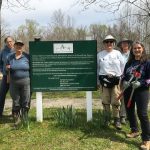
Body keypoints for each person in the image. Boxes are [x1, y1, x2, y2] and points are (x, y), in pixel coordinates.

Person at [122, 41, 150, 150]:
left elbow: (149, 79)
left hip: (142, 91)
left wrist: (141, 83)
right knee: (129, 109)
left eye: (139, 48)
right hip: (129, 89)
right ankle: (134, 130)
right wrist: (124, 80)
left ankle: (147, 139)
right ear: (132, 51)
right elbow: (124, 74)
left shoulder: (147, 62)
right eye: (134, 48)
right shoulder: (129, 63)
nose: (137, 50)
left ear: (142, 49)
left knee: (142, 114)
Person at [97, 35, 124, 130]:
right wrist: (98, 82)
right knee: (105, 101)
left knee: (116, 100)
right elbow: (98, 68)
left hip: (116, 81)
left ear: (114, 43)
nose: (109, 43)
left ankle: (116, 119)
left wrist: (122, 79)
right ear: (104, 43)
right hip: (104, 80)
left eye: (111, 42)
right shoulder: (100, 54)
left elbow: (122, 67)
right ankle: (106, 119)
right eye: (107, 42)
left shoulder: (118, 54)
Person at [6, 40, 30, 126]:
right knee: (16, 101)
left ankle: (24, 119)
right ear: (14, 46)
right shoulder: (10, 57)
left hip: (25, 82)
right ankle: (17, 120)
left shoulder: (27, 56)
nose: (19, 47)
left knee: (25, 100)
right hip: (13, 82)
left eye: (21, 45)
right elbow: (7, 67)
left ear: (22, 46)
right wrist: (7, 68)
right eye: (17, 45)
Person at [117, 38, 133, 124]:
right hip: (121, 78)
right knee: (122, 97)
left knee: (132, 97)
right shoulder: (118, 54)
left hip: (132, 78)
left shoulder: (132, 54)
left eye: (126, 43)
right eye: (123, 43)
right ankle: (122, 116)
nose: (125, 45)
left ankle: (129, 116)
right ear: (120, 45)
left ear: (129, 45)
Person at [0, 36, 14, 117]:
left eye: (11, 41)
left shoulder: (16, 50)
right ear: (5, 43)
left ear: (13, 41)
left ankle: (14, 113)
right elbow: (0, 63)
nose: (9, 43)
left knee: (14, 95)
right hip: (5, 76)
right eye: (8, 41)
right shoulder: (3, 51)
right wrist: (2, 70)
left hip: (15, 77)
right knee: (1, 94)